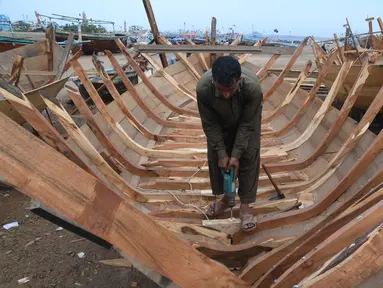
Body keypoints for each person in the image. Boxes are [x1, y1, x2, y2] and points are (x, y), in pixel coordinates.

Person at [196, 56, 263, 232]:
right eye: (221, 90)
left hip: (247, 120)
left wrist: (236, 154)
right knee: (219, 159)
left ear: (238, 81)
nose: (226, 94)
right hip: (219, 121)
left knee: (249, 154)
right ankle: (226, 199)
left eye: (231, 90)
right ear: (214, 81)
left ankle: (246, 208)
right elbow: (209, 124)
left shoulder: (253, 89)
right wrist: (223, 153)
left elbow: (248, 124)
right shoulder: (203, 89)